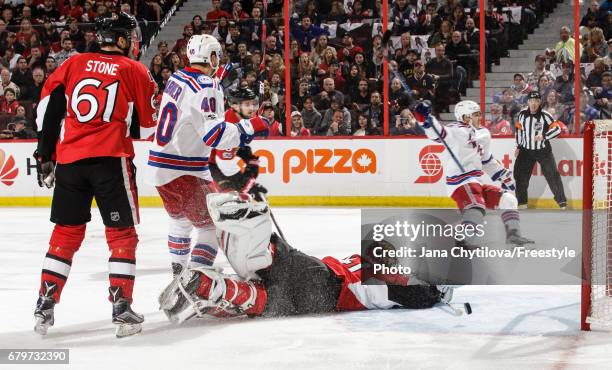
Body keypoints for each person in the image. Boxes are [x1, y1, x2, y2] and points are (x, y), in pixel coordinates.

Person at [32, 12, 158, 338]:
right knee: (122, 236)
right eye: (129, 36)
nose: (132, 41)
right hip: (110, 160)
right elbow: (147, 121)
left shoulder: (73, 64)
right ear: (118, 38)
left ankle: (44, 304)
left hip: (70, 160)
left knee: (65, 235)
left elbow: (52, 105)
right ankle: (121, 308)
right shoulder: (134, 69)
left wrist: (45, 153)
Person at [159, 192, 449, 323]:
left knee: (267, 291)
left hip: (316, 273)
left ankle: (210, 285)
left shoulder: (360, 261)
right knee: (268, 299)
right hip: (325, 289)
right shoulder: (381, 280)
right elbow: (416, 294)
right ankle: (245, 241)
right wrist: (438, 291)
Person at [146, 35, 269, 290]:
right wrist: (248, 127)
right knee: (212, 226)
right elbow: (214, 136)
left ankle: (179, 277)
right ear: (211, 57)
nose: (219, 60)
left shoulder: (177, 78)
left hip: (160, 167)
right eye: (217, 55)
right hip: (184, 169)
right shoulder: (207, 85)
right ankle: (196, 281)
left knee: (180, 222)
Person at [414, 100, 533, 248]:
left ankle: (513, 235)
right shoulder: (455, 130)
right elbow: (437, 132)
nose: (480, 118)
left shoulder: (483, 133)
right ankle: (462, 241)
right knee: (475, 206)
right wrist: (424, 117)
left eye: (480, 114)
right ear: (465, 117)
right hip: (460, 182)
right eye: (476, 115)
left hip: (475, 182)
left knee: (508, 200)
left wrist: (502, 175)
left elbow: (486, 160)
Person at [513, 91, 566, 209]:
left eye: (536, 101)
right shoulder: (521, 114)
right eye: (531, 101)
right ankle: (521, 203)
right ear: (527, 102)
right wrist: (518, 146)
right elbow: (519, 131)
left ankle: (562, 203)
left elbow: (557, 129)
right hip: (526, 150)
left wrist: (544, 136)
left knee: (553, 175)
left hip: (543, 151)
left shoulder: (546, 115)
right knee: (520, 176)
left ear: (540, 102)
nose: (533, 103)